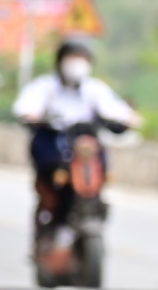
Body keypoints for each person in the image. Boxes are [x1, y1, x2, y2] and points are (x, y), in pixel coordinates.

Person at [12, 37, 139, 216]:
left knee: (96, 152)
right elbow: (27, 107)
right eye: (73, 57)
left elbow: (116, 110)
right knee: (48, 160)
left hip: (84, 142)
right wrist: (32, 116)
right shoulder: (46, 86)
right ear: (60, 60)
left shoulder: (95, 89)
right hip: (54, 140)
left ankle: (94, 198)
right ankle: (51, 202)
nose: (77, 63)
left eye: (82, 58)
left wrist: (129, 118)